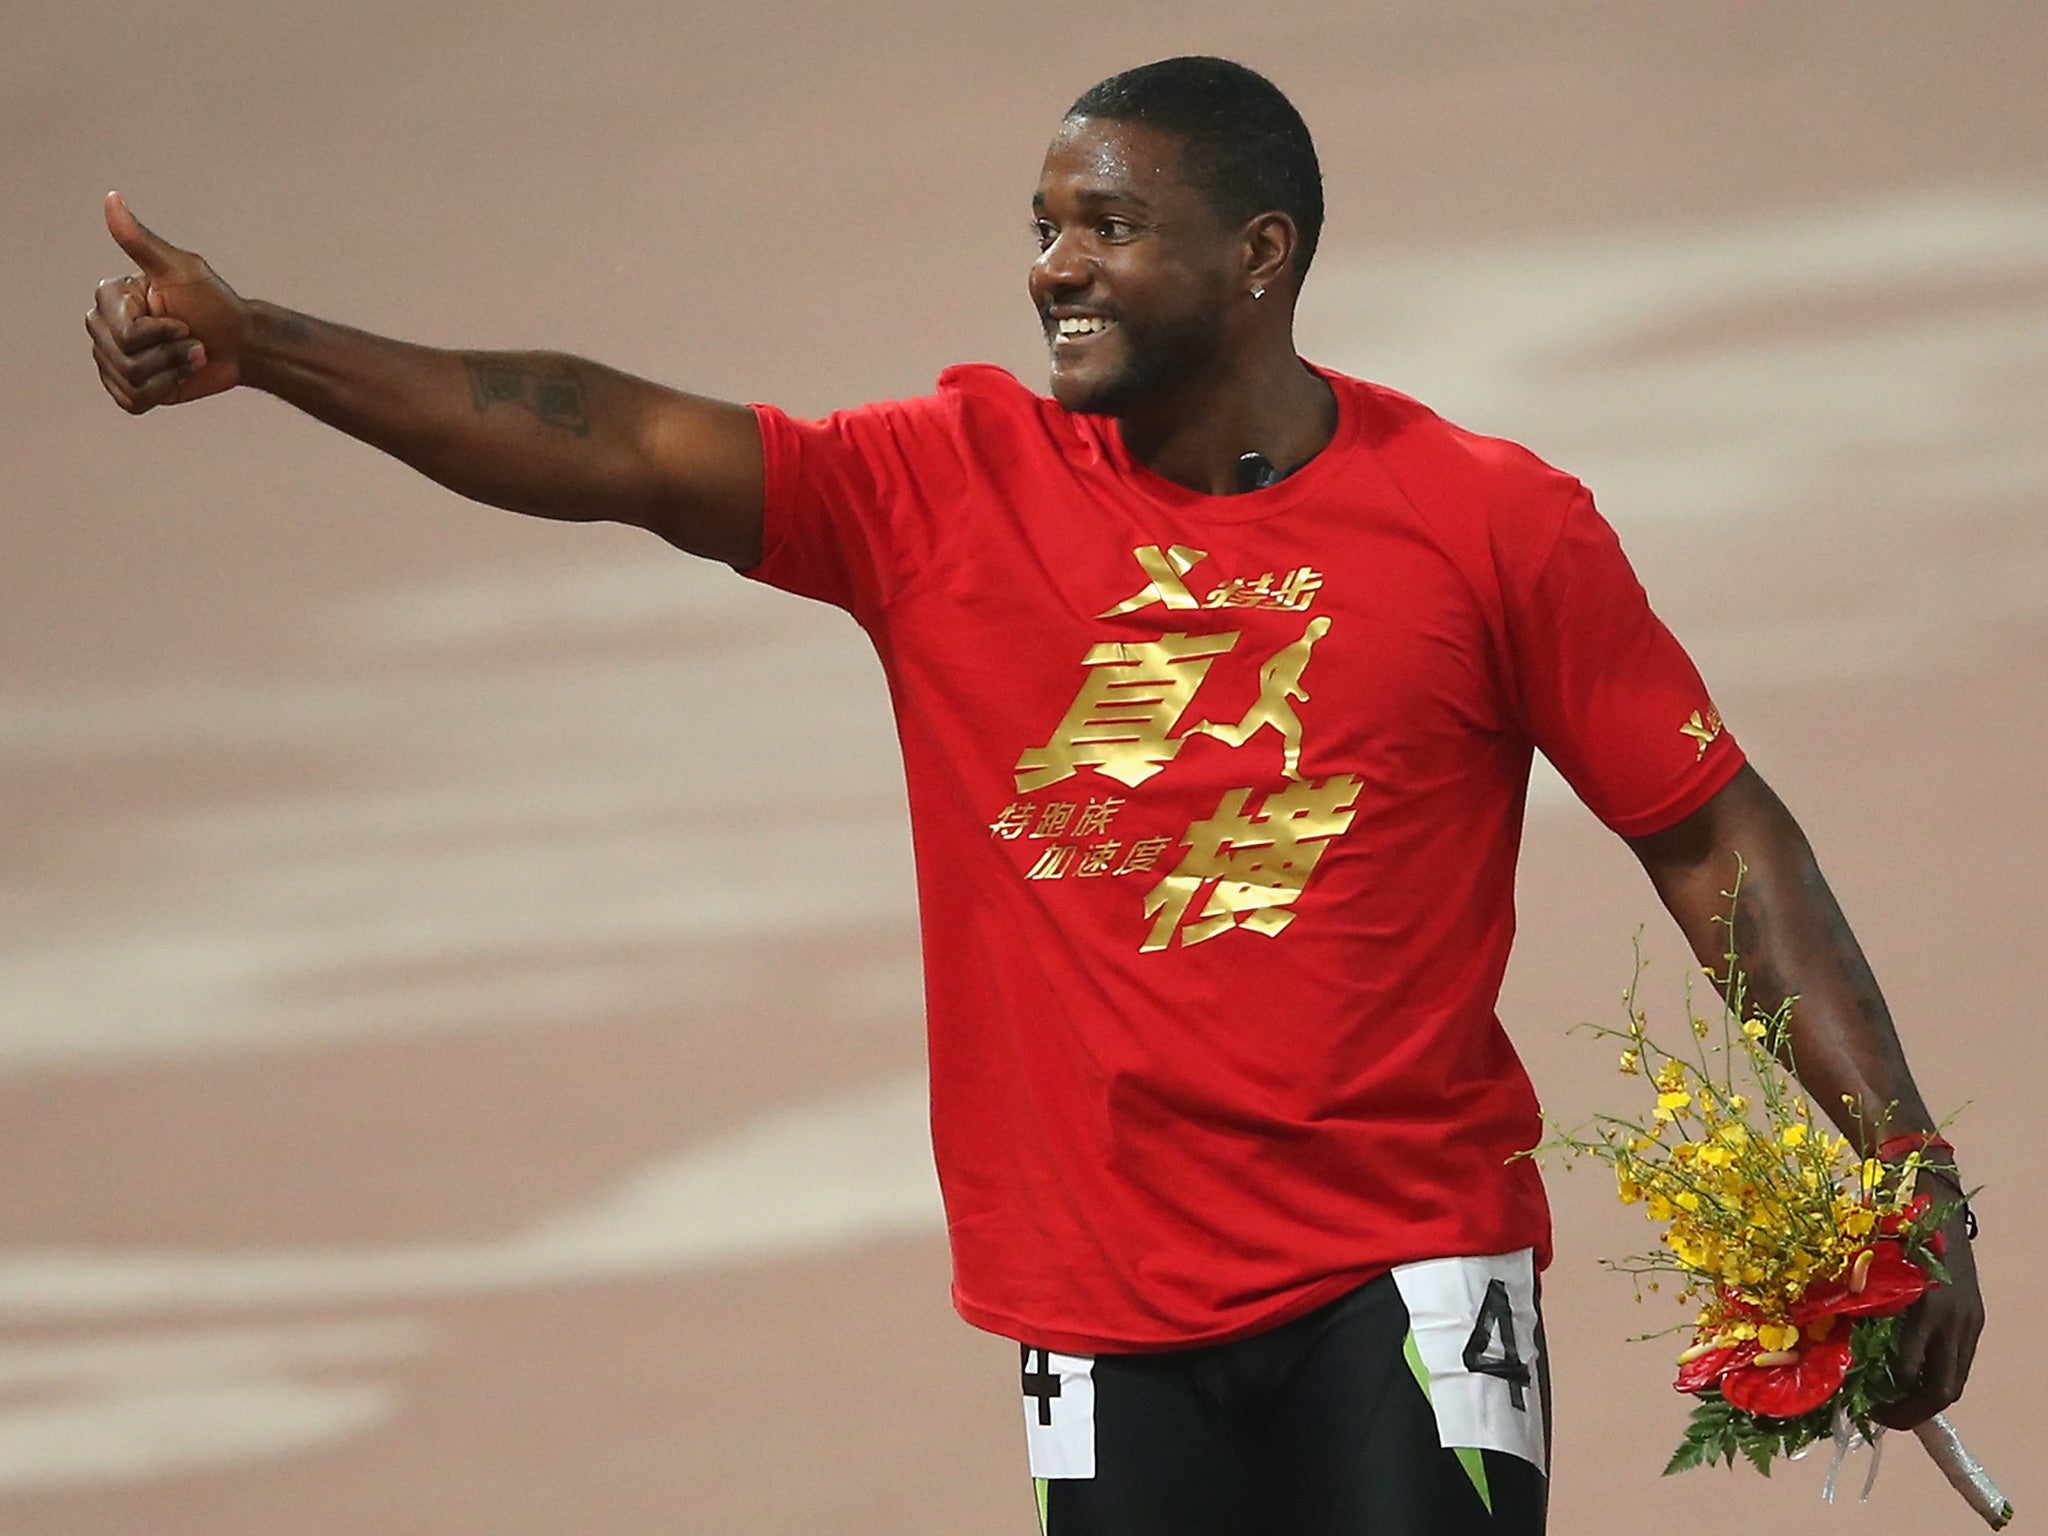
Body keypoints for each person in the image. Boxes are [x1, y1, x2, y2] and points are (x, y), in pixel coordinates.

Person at [85, 54, 1980, 1536]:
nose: (1050, 264)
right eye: (1043, 222)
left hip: (1406, 1282)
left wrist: (1902, 1165)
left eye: (1107, 225)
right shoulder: (942, 489)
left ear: (1261, 259)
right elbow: (609, 438)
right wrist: (270, 348)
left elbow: (1713, 831)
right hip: (1097, 1311)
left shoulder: (1490, 521)